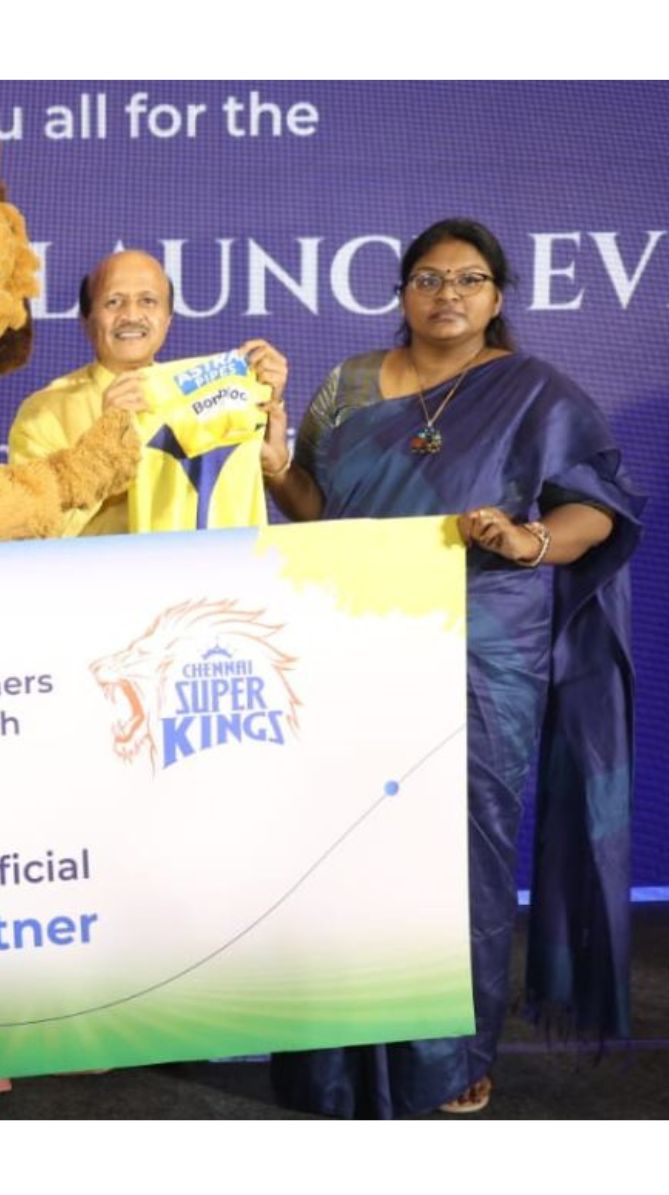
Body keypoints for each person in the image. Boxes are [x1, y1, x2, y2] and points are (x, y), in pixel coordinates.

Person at [263, 217, 644, 1118]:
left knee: (459, 855)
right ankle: (331, 1065)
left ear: (498, 297)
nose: (447, 295)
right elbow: (317, 510)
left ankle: (451, 1059)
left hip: (479, 649)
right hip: (354, 641)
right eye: (429, 279)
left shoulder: (536, 394)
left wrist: (528, 538)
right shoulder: (351, 384)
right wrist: (278, 468)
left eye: (468, 280)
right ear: (402, 292)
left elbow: (598, 512)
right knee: (341, 848)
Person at [9, 249, 288, 532]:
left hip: (199, 570)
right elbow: (34, 528)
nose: (131, 315)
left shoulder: (205, 399)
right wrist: (104, 450)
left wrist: (268, 449)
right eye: (113, 302)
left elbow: (225, 497)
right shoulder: (43, 413)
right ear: (87, 320)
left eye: (148, 301)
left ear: (168, 318)